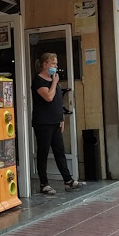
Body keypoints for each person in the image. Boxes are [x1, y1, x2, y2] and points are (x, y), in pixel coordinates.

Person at [31, 52, 81, 195]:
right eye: (53, 64)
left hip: (55, 121)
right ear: (45, 64)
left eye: (56, 64)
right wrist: (53, 83)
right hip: (43, 122)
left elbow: (58, 101)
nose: (55, 67)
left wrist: (61, 118)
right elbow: (48, 97)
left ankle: (68, 180)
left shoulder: (54, 80)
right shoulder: (39, 81)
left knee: (59, 151)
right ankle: (44, 183)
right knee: (43, 152)